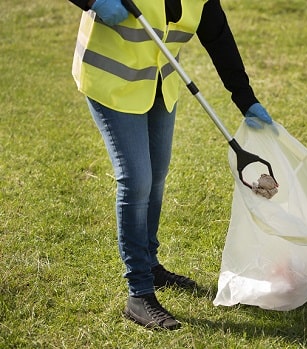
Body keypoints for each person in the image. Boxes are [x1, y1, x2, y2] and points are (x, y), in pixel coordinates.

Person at [67, 0, 274, 330]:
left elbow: (217, 36)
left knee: (157, 176)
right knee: (136, 180)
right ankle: (139, 292)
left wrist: (245, 98)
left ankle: (150, 264)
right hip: (111, 81)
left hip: (159, 84)